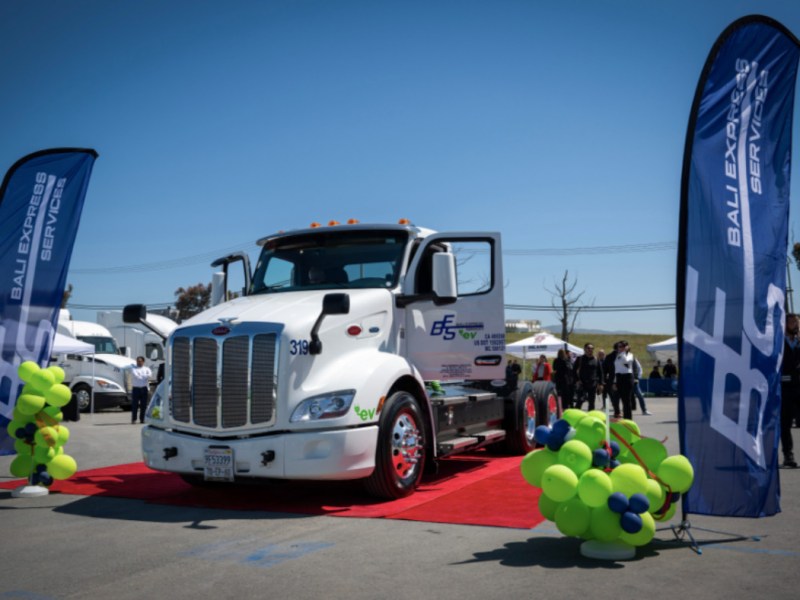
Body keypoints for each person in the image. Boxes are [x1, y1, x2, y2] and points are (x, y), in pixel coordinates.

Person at [781, 313, 800, 468]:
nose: (796, 325)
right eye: (793, 322)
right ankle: (789, 456)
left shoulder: (799, 343)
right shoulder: (779, 343)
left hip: (799, 387)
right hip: (785, 390)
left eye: (797, 322)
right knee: (785, 425)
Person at [573, 343, 603, 410]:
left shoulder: (596, 359)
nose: (590, 350)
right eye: (588, 348)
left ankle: (590, 418)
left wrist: (601, 384)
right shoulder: (580, 359)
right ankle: (576, 416)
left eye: (592, 348)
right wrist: (577, 380)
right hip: (582, 384)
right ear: (584, 349)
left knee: (591, 402)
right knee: (580, 401)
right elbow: (573, 371)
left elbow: (600, 372)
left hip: (592, 384)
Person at [125, 356, 152, 424]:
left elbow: (150, 375)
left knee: (143, 405)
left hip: (144, 388)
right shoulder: (134, 368)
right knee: (135, 405)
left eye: (140, 361)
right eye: (137, 361)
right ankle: (134, 419)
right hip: (136, 388)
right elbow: (136, 376)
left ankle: (142, 419)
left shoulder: (146, 369)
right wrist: (144, 376)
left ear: (143, 362)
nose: (139, 362)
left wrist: (142, 375)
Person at [613, 340, 636, 420]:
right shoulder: (618, 356)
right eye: (619, 346)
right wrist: (615, 381)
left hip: (627, 377)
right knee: (620, 399)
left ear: (626, 347)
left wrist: (625, 351)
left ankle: (628, 418)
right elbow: (616, 369)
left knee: (627, 400)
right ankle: (622, 416)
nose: (620, 348)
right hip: (619, 377)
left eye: (622, 346)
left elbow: (626, 362)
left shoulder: (629, 355)